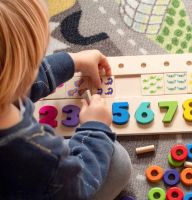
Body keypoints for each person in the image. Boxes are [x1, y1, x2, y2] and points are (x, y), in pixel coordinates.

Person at [0, 1, 132, 200]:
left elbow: (22, 80)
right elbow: (78, 187)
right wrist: (94, 129)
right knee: (118, 160)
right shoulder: (43, 156)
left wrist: (73, 61)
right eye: (36, 61)